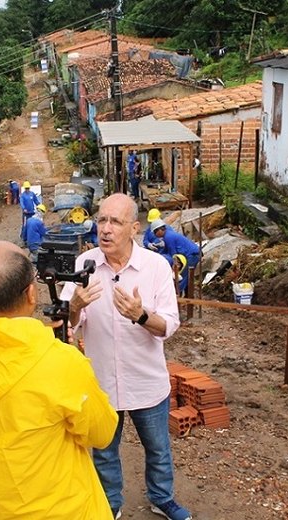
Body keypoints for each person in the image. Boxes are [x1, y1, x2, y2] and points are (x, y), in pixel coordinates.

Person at [0, 241, 119, 520]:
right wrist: (64, 353)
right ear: (32, 294)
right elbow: (101, 434)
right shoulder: (61, 363)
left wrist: (42, 338)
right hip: (66, 511)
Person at [61, 194, 192, 520]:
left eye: (115, 222)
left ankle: (162, 498)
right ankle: (110, 505)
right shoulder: (84, 265)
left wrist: (141, 315)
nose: (104, 229)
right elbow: (67, 327)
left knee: (158, 449)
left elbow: (169, 325)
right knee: (104, 452)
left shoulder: (156, 267)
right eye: (101, 220)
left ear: (134, 227)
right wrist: (75, 307)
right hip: (102, 383)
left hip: (146, 381)